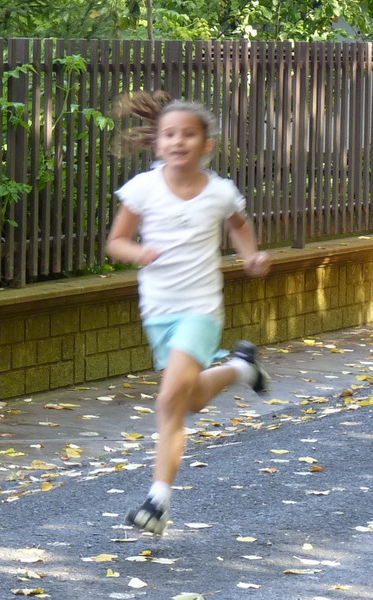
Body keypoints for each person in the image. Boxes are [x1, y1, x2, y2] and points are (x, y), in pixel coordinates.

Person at [106, 91, 270, 535]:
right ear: (157, 143)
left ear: (206, 145)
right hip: (158, 310)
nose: (177, 141)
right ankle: (241, 368)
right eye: (169, 134)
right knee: (191, 398)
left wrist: (250, 256)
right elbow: (116, 242)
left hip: (201, 310)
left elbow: (239, 225)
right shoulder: (142, 189)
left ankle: (157, 503)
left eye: (188, 134)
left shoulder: (219, 192)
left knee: (168, 401)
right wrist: (140, 253)